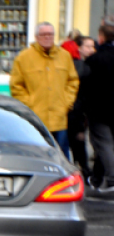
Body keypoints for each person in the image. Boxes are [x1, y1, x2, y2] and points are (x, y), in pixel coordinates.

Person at [10, 22, 79, 158]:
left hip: (59, 119)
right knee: (37, 156)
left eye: (50, 34)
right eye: (44, 34)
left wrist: (66, 102)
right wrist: (30, 104)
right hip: (36, 119)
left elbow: (73, 81)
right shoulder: (24, 58)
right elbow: (16, 86)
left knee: (61, 156)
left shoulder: (64, 56)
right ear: (36, 37)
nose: (48, 37)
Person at [85, 24, 114, 193]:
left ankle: (111, 179)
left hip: (99, 110)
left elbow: (87, 86)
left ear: (101, 38)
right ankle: (97, 178)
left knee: (103, 144)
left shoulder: (95, 60)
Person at [69, 35, 98, 183]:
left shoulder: (90, 64)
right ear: (79, 48)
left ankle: (84, 170)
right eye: (88, 46)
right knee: (78, 142)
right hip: (76, 110)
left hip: (81, 110)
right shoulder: (78, 66)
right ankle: (84, 171)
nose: (91, 50)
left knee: (79, 143)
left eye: (93, 46)